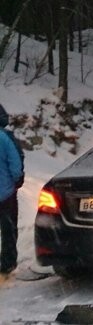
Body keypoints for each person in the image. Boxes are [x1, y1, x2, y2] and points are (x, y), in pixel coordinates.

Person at [0, 104, 23, 276]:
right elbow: (15, 164)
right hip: (5, 193)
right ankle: (8, 261)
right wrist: (18, 179)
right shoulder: (5, 138)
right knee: (8, 228)